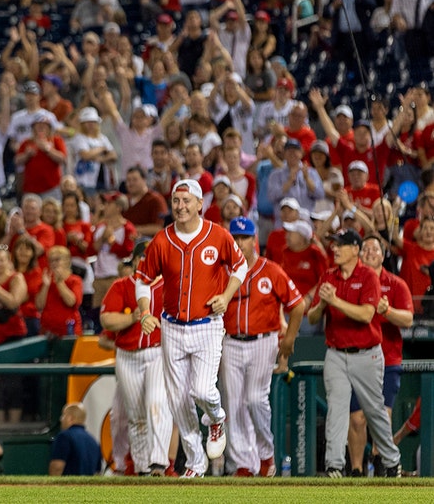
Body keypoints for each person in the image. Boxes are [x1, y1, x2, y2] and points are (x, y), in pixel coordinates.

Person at [135, 179, 247, 478]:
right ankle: (195, 462)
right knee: (178, 399)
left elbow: (240, 266)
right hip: (172, 326)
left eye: (187, 201)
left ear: (200, 204)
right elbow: (143, 279)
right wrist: (145, 311)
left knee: (202, 390)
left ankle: (216, 418)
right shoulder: (162, 239)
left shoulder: (217, 235)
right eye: (176, 201)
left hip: (207, 324)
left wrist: (226, 295)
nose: (181, 206)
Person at [306, 229, 403, 478]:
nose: (335, 249)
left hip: (366, 354)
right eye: (334, 244)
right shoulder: (329, 276)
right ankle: (335, 465)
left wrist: (335, 301)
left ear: (355, 249)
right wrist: (323, 304)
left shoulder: (368, 275)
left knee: (374, 410)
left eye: (340, 245)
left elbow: (366, 315)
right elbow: (313, 317)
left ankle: (392, 459)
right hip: (336, 353)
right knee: (337, 409)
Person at [221, 217, 304, 477]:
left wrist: (289, 339)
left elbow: (298, 305)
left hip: (263, 341)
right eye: (234, 237)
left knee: (255, 400)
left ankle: (266, 455)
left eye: (244, 237)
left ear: (254, 240)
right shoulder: (223, 272)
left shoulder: (270, 270)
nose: (239, 242)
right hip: (231, 341)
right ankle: (244, 463)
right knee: (233, 405)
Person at [100, 240, 172, 476]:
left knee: (156, 404)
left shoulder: (170, 286)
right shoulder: (122, 286)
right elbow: (107, 320)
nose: (146, 262)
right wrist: (133, 318)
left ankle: (159, 463)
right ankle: (142, 468)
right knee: (136, 415)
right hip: (127, 355)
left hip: (158, 353)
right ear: (137, 260)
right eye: (143, 258)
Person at [346, 236, 413, 476]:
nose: (370, 252)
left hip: (388, 358)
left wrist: (388, 311)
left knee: (382, 415)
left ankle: (382, 460)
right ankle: (355, 469)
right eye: (366, 248)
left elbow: (407, 319)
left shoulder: (395, 284)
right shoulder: (351, 280)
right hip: (357, 357)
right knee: (356, 418)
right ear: (358, 253)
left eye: (375, 248)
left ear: (383, 255)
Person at [48, 403, 102, 476]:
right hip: (88, 487)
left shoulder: (64, 436)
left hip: (68, 487)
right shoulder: (93, 441)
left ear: (70, 418)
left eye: (63, 415)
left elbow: (57, 467)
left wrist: (53, 485)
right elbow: (98, 473)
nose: (61, 419)